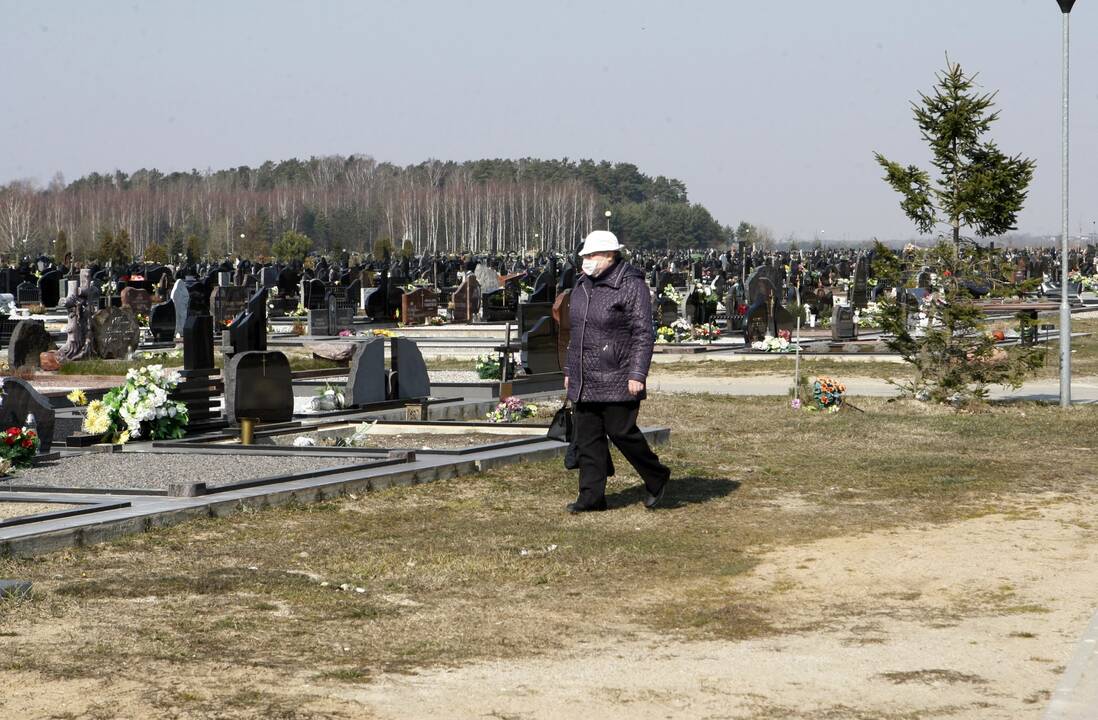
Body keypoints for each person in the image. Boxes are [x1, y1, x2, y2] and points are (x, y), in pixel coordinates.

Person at [562, 230, 671, 513]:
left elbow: (643, 333)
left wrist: (637, 374)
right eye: (584, 255)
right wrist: (570, 370)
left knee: (622, 432)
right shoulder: (582, 284)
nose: (586, 260)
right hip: (585, 377)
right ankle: (591, 497)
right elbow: (576, 333)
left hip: (617, 373)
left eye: (591, 255)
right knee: (587, 440)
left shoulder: (630, 285)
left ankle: (656, 475)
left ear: (610, 255)